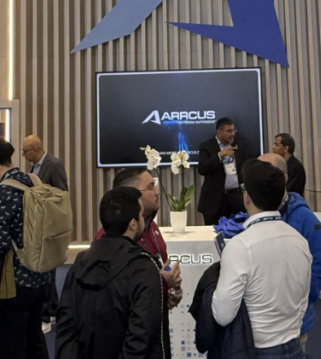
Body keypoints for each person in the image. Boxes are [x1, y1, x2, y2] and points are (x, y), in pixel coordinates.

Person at [212, 159, 311, 358]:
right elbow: (303, 301)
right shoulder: (300, 241)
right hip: (294, 347)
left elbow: (222, 315)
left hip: (256, 350)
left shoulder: (240, 246)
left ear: (246, 197)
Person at [56, 186, 164, 359]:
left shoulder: (81, 262)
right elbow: (141, 336)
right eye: (141, 214)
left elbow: (66, 324)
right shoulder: (143, 267)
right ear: (133, 223)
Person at [0, 137, 51, 359]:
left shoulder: (2, 191)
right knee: (35, 338)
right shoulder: (33, 181)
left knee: (12, 344)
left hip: (14, 280)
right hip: (40, 272)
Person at [94, 167, 183, 359]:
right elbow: (111, 296)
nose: (157, 192)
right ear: (132, 195)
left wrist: (169, 291)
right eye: (150, 187)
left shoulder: (152, 228)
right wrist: (160, 282)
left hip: (155, 334)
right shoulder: (107, 241)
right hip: (128, 341)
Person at [257, 153, 321, 350]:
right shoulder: (255, 212)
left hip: (293, 324)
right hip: (261, 324)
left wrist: (299, 299)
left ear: (284, 179)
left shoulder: (304, 219)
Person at [197, 117, 251, 226]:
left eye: (234, 130)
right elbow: (202, 168)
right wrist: (220, 155)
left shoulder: (240, 145)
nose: (233, 134)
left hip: (236, 198)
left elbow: (248, 167)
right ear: (219, 132)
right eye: (229, 131)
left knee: (238, 231)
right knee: (213, 233)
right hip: (215, 201)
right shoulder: (206, 146)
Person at [272, 133, 307, 198]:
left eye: (276, 145)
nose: (273, 147)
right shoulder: (277, 164)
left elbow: (290, 189)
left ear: (285, 148)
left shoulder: (297, 167)